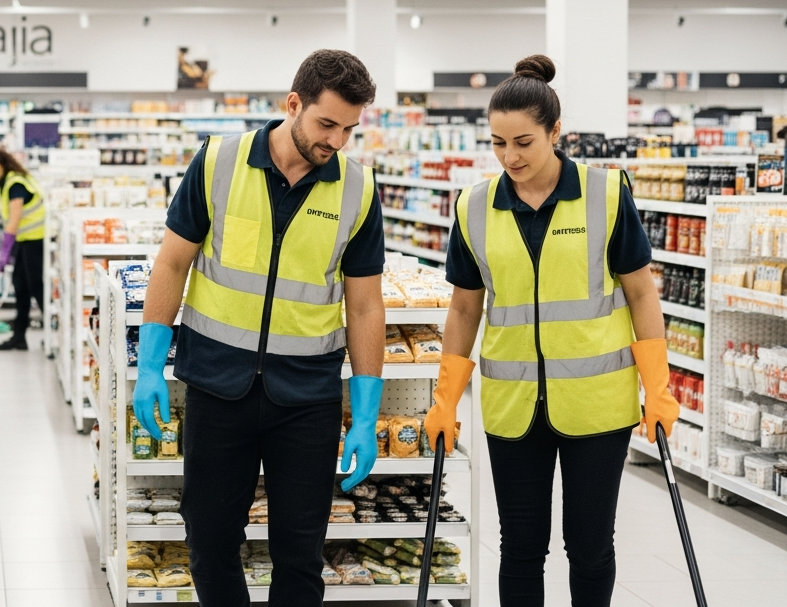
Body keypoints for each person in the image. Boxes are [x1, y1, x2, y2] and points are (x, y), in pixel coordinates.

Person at [424, 55, 679, 607]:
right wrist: (445, 397)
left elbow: (641, 293)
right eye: (498, 143)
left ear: (555, 132)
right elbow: (465, 309)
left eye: (523, 142)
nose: (510, 157)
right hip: (512, 406)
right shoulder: (473, 207)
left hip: (597, 404)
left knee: (589, 547)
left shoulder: (605, 194)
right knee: (520, 547)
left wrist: (658, 386)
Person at [136, 49, 388, 606]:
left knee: (300, 556)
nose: (337, 141)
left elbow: (366, 308)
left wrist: (367, 413)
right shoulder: (217, 162)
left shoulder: (358, 189)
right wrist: (149, 365)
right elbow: (172, 264)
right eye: (326, 124)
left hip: (307, 398)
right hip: (216, 386)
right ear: (293, 103)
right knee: (209, 543)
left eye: (349, 129)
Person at [0, 146, 45, 351]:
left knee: (36, 288)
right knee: (20, 286)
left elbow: (13, 222)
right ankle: (19, 336)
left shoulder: (15, 184)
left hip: (34, 240)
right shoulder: (7, 181)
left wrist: (3, 256)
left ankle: (56, 334)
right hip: (24, 240)